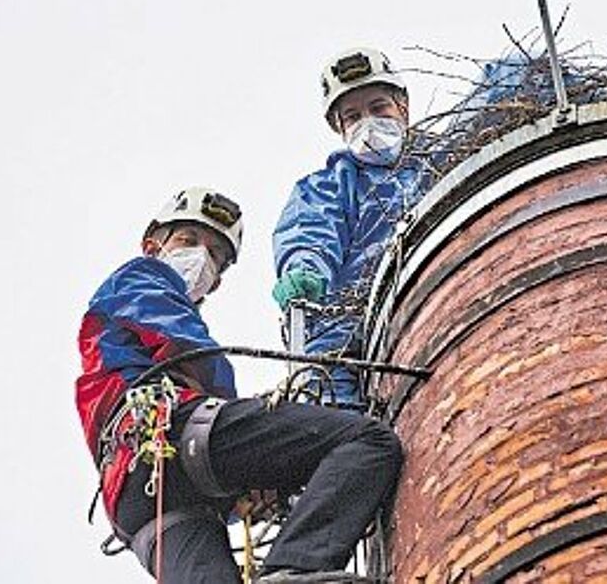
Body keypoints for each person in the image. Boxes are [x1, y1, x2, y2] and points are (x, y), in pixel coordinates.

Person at [75, 186, 403, 584]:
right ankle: (296, 567)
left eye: (215, 254)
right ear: (152, 245)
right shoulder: (142, 276)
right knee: (367, 441)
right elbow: (190, 352)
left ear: (215, 284)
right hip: (173, 431)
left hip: (136, 499)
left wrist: (251, 479)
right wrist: (252, 444)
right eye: (188, 240)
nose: (201, 257)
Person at [272, 47, 433, 409]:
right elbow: (310, 232)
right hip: (348, 325)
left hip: (433, 294)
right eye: (353, 116)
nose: (369, 122)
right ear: (339, 127)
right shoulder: (328, 186)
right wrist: (305, 271)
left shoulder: (441, 162)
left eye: (379, 108)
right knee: (333, 413)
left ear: (402, 108)